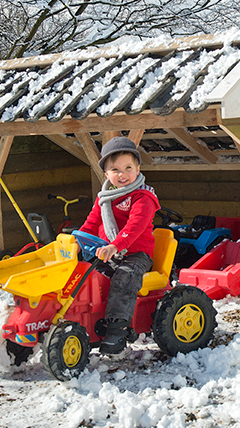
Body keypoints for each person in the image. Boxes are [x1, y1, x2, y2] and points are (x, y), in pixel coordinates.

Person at [77, 136, 160, 355]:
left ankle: (116, 330)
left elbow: (134, 227)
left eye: (128, 167)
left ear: (138, 168)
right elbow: (91, 223)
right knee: (87, 275)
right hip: (107, 252)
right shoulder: (104, 198)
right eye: (115, 169)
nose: (122, 174)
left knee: (124, 277)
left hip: (135, 255)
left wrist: (115, 246)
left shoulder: (143, 197)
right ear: (106, 174)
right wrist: (77, 242)